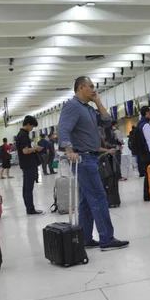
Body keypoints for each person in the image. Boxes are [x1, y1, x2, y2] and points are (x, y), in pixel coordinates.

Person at [58, 76, 129, 251]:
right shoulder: (72, 106)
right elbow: (63, 129)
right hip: (82, 159)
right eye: (91, 87)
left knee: (86, 201)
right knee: (98, 197)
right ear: (81, 87)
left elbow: (106, 121)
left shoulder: (88, 109)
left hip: (91, 157)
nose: (93, 90)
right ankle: (107, 239)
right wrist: (69, 150)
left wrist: (97, 101)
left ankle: (85, 238)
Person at [16, 116, 45, 215]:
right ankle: (30, 209)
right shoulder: (23, 135)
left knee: (26, 187)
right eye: (32, 126)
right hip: (29, 164)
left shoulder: (21, 134)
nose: (32, 129)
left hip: (26, 164)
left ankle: (29, 208)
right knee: (29, 188)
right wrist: (36, 148)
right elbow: (25, 151)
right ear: (28, 124)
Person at [135, 106, 150, 178]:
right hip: (148, 154)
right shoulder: (146, 125)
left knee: (148, 174)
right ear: (147, 113)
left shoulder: (140, 123)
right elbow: (149, 141)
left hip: (142, 153)